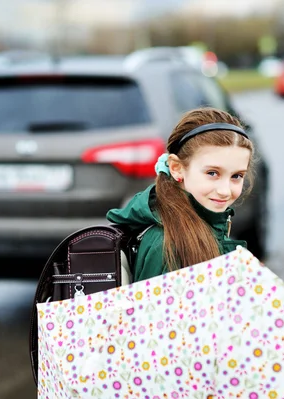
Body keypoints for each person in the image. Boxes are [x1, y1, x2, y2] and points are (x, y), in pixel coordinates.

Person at [106, 107, 256, 282]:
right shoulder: (167, 246)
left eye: (236, 176)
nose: (225, 190)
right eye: (212, 173)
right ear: (177, 168)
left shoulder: (207, 224)